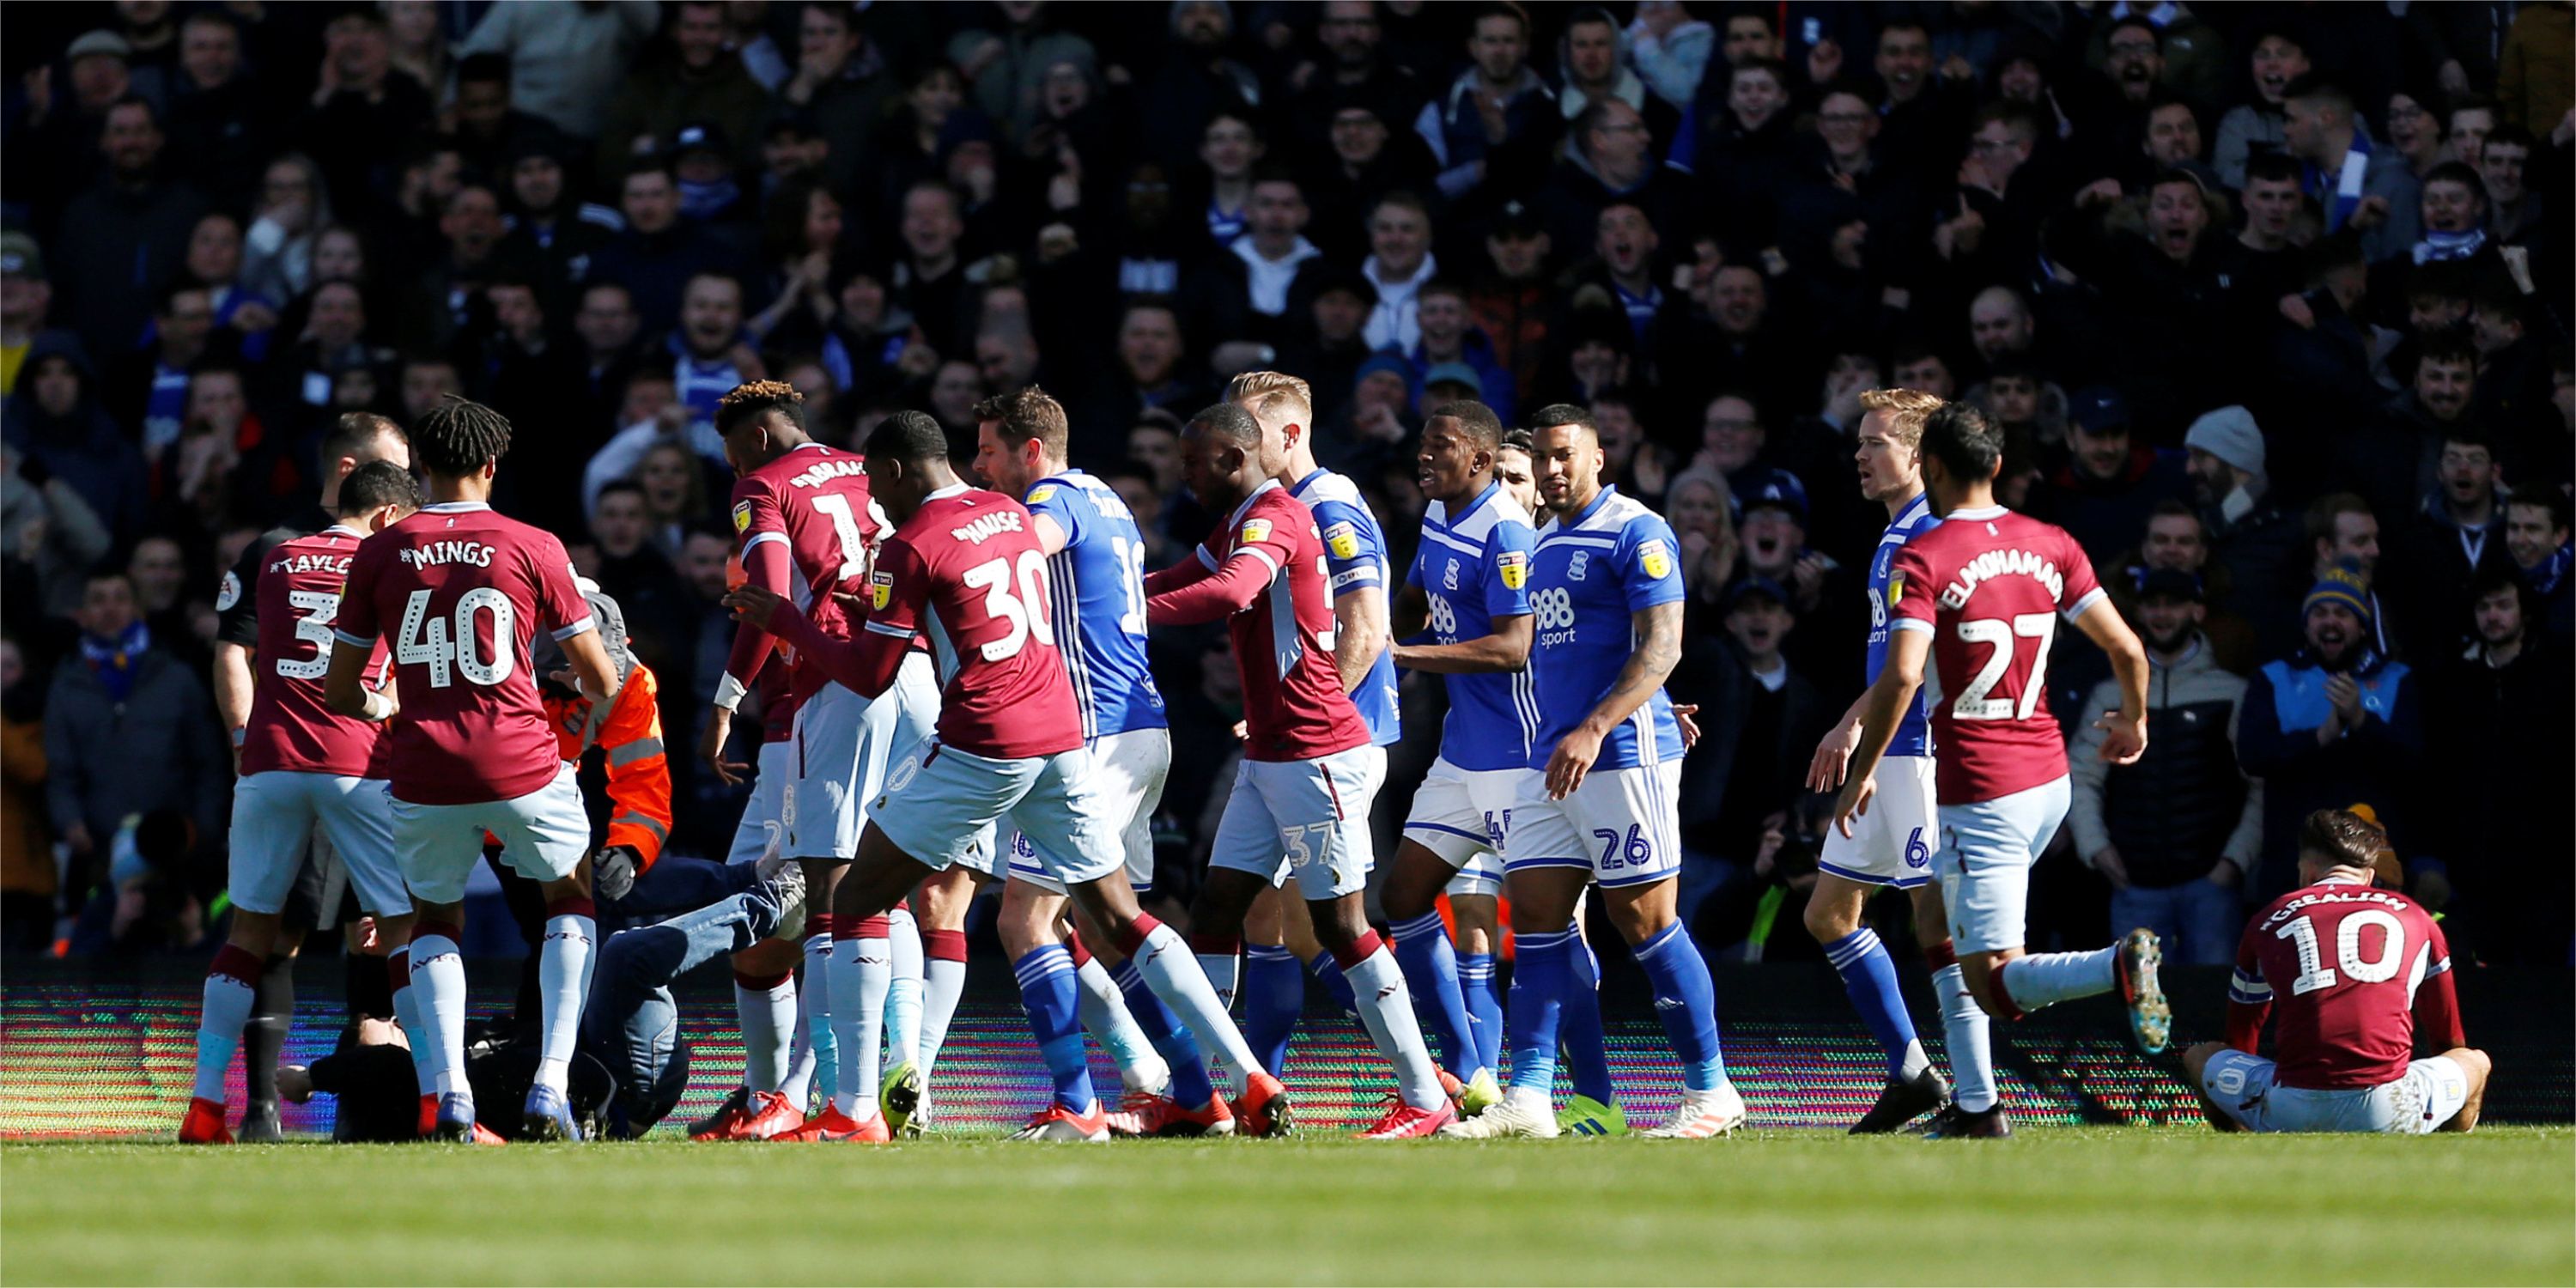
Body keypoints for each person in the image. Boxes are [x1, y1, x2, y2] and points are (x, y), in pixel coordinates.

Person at [729, 409, 1278, 1143]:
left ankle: (856, 1111)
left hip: (987, 741)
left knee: (858, 896)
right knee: (1117, 915)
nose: (874, 509)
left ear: (894, 472)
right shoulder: (1012, 514)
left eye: (875, 489)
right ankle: (1247, 1079)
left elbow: (867, 674)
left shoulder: (908, 544)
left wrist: (789, 620)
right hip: (1063, 733)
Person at [1832, 399, 2171, 1139]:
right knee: (1941, 941)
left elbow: (1902, 679)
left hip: (1980, 786)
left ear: (1933, 465)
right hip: (2049, 775)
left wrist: (1861, 765)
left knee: (1988, 982)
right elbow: (2130, 651)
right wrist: (2134, 720)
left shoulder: (1927, 556)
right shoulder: (2051, 543)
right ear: (1999, 465)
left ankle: (2117, 965)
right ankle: (1977, 1108)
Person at [1146, 400, 1449, 1140]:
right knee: (1218, 911)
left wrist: (1128, 609)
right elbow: (1193, 571)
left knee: (1339, 924)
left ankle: (1424, 1093)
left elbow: (1230, 591)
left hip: (1318, 751)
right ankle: (1208, 1093)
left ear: (1228, 458)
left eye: (1193, 463)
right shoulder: (1241, 517)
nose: (1183, 477)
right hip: (1272, 752)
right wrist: (1124, 584)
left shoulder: (1276, 515)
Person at [325, 395, 623, 1143]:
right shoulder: (534, 542)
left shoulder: (380, 550)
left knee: (433, 919)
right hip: (521, 760)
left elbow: (339, 688)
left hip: (424, 767)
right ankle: (552, 1081)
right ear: (492, 466)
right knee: (570, 900)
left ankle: (452, 1093)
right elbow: (600, 675)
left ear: (419, 467)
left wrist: (392, 700)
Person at [1443, 404, 1741, 1140]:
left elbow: (1661, 644)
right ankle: (1531, 1098)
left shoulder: (1636, 530)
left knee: (1645, 921)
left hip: (1620, 756)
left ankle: (1712, 1092)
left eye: (1564, 455)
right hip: (1550, 759)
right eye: (1541, 456)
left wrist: (1603, 722)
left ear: (1599, 456)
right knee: (1539, 923)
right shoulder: (1539, 541)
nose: (1550, 469)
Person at [972, 387, 1227, 1138]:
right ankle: (1188, 1091)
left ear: (1030, 450)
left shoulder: (1052, 496)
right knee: (1108, 928)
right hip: (1140, 729)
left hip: (1093, 737)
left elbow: (1032, 543)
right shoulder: (1109, 499)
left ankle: (1077, 1104)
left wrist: (961, 545)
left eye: (987, 451)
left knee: (1024, 919)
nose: (978, 467)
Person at [702, 380, 937, 1140]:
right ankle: (899, 1079)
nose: (732, 468)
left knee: (814, 890)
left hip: (836, 687)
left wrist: (728, 693)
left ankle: (824, 1097)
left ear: (760, 441)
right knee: (883, 880)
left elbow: (770, 593)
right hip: (917, 672)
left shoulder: (760, 486)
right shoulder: (865, 468)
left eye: (734, 452)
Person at [178, 461, 422, 1145]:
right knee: (402, 928)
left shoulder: (277, 555)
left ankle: (203, 1109)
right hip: (355, 759)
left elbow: (245, 651)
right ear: (384, 517)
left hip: (269, 760)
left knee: (248, 937)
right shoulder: (389, 559)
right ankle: (436, 1098)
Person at [1801, 388, 1983, 1134]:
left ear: (1919, 455)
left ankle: (1977, 1098)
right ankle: (1912, 1070)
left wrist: (1860, 733)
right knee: (1827, 913)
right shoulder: (1894, 538)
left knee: (1934, 921)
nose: (1861, 455)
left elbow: (1927, 667)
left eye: (1877, 442)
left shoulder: (1932, 535)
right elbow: (1892, 665)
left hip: (1920, 754)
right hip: (1887, 745)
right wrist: (1851, 724)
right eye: (1861, 442)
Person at [1221, 372, 1404, 1091]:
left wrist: (1309, 707)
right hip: (1291, 739)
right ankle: (1259, 1086)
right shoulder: (1280, 504)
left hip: (1330, 742)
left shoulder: (1328, 506)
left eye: (1250, 431)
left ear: (1292, 434)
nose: (1236, 447)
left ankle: (1437, 1076)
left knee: (1328, 925)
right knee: (1274, 920)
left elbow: (1366, 626)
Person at [1380, 400, 1534, 1119]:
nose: (1424, 456)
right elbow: (1413, 600)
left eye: (1439, 446)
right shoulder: (1442, 514)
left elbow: (1513, 646)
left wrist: (1403, 656)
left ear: (1478, 459)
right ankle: (1473, 1072)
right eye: (1422, 443)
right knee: (1403, 898)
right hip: (1461, 755)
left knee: (1546, 923)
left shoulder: (1506, 528)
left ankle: (1558, 1090)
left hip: (1521, 756)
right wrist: (1357, 634)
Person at [2181, 809, 2489, 1134]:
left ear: (2307, 870)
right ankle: (2443, 1166)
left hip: (2291, 1109)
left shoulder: (2268, 919)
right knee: (2474, 1061)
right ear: (2369, 876)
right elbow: (2447, 1040)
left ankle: (2245, 1152)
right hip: (2392, 1106)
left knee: (2202, 1056)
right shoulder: (2417, 917)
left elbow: (2241, 1041)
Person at [2069, 568, 2263, 967]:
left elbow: (2259, 784)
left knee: (2212, 1013)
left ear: (2196, 611)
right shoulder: (2111, 693)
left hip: (2212, 887)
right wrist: (2097, 850)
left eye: (2173, 604)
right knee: (2140, 1011)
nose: (2162, 614)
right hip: (2134, 887)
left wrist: (2234, 862)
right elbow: (2081, 778)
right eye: (2152, 604)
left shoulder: (2231, 691)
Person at [2238, 568, 2426, 905]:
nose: (2330, 622)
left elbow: (2413, 762)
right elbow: (2252, 755)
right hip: (2293, 860)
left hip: (2373, 860)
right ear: (2307, 624)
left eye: (2343, 613)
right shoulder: (2274, 677)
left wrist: (2359, 719)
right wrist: (2319, 737)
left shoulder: (2397, 679)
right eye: (2320, 613)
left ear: (2362, 625)